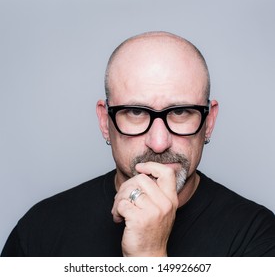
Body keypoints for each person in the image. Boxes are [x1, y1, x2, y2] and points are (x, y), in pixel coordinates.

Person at [2, 31, 275, 257]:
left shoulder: (258, 235)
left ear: (209, 121)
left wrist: (149, 257)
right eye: (135, 112)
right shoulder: (40, 229)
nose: (158, 143)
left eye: (180, 112)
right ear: (103, 121)